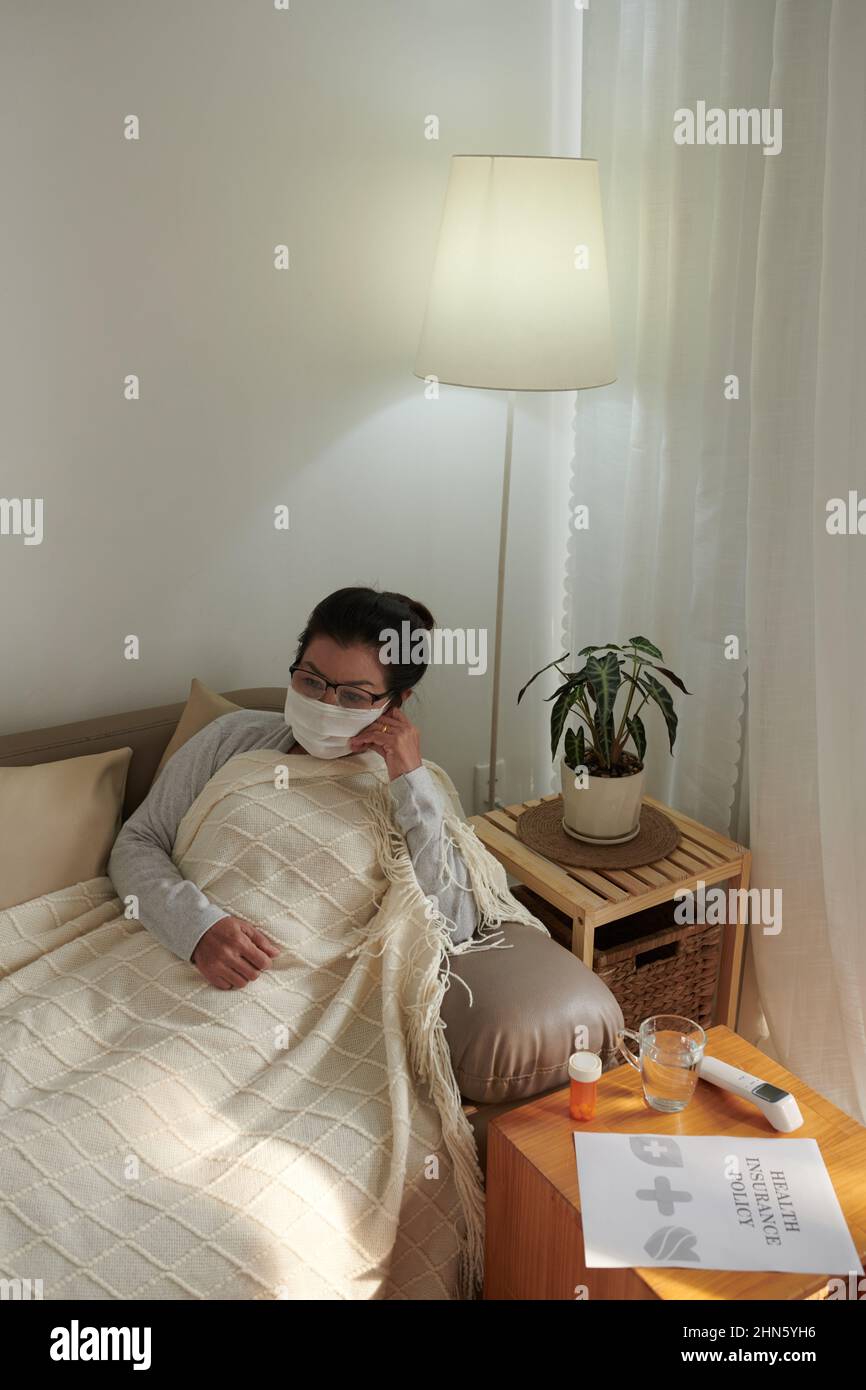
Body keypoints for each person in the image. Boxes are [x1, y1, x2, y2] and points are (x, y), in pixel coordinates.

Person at [108, 587, 479, 991]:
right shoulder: (231, 737)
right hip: (167, 956)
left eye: (353, 695)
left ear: (395, 702)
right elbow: (138, 843)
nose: (325, 703)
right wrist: (197, 930)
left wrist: (410, 779)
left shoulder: (412, 790)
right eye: (311, 681)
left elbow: (455, 923)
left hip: (298, 999)